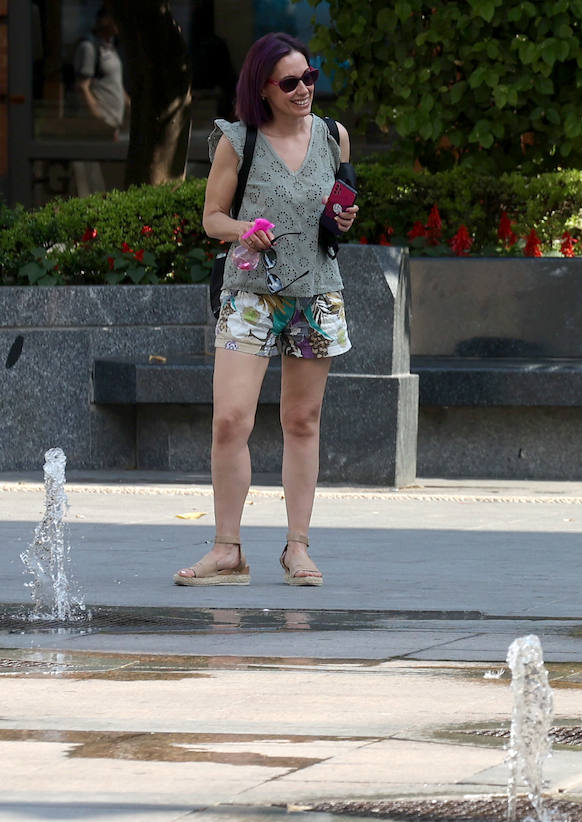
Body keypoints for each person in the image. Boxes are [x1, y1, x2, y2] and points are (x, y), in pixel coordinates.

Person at [174, 32, 358, 588]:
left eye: (310, 78)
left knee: (302, 420)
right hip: (251, 294)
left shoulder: (333, 136)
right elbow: (212, 217)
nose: (304, 90)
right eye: (290, 82)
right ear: (263, 88)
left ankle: (297, 547)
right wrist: (241, 230)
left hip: (317, 293)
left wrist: (341, 222)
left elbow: (334, 210)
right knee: (231, 419)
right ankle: (227, 548)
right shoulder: (238, 141)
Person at [70, 6, 129, 195]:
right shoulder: (89, 48)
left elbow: (115, 84)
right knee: (91, 184)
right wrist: (97, 118)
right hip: (97, 129)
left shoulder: (111, 48)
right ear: (106, 21)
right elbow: (83, 86)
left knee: (103, 184)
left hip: (111, 128)